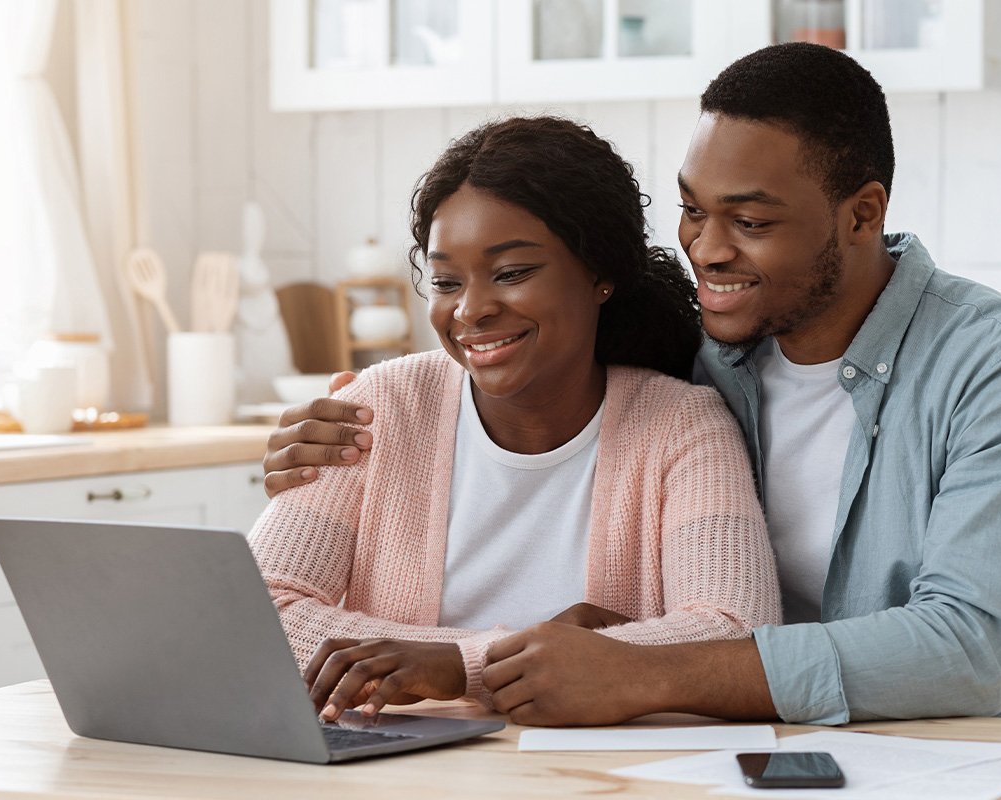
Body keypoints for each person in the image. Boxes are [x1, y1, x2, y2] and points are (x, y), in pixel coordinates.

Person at [263, 43, 1001, 727]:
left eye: (751, 222)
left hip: (963, 763)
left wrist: (637, 672)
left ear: (863, 214)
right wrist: (314, 454)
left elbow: (967, 653)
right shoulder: (703, 356)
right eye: (694, 211)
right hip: (749, 755)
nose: (708, 249)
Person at [248, 115, 781, 722]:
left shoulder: (682, 426)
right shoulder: (382, 406)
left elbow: (737, 635)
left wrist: (453, 667)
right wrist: (497, 656)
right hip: (404, 771)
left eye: (513, 273)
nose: (471, 310)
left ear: (600, 273)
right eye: (447, 281)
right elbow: (257, 610)